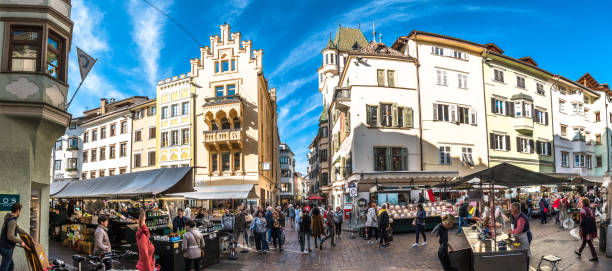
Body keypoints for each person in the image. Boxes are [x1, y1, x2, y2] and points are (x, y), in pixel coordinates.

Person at [0, 203, 26, 271]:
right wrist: (21, 241)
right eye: (20, 211)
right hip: (7, 248)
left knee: (11, 266)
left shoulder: (9, 218)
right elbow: (10, 236)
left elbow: (18, 229)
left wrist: (28, 235)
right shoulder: (12, 221)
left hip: (3, 246)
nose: (20, 213)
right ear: (17, 210)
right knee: (4, 268)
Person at [507, 202, 532, 269]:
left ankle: (525, 267)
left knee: (525, 253)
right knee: (521, 253)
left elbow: (519, 229)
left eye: (511, 208)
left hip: (525, 236)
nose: (510, 210)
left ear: (515, 209)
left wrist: (511, 232)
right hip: (522, 236)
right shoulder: (517, 216)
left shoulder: (521, 217)